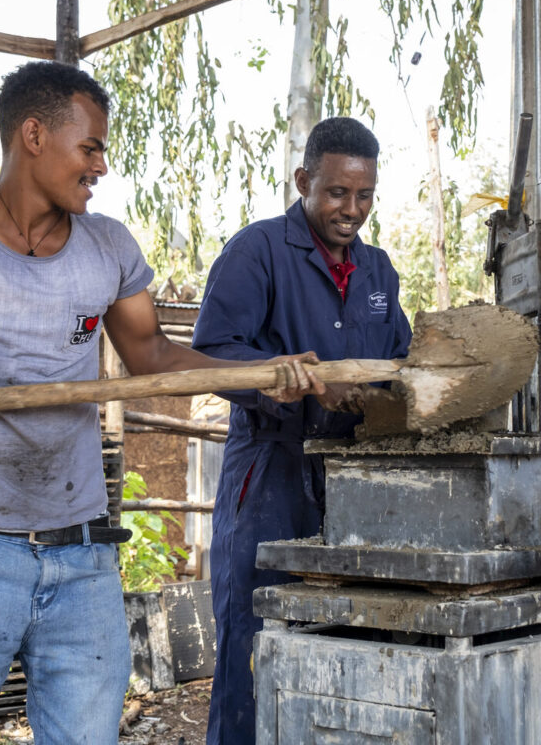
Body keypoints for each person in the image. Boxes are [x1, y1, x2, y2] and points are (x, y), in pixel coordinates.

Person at [0, 61, 327, 745]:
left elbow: (153, 356)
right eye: (90, 147)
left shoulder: (108, 248)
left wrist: (259, 372)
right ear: (33, 135)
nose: (100, 165)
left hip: (83, 557)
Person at [192, 117, 413, 745]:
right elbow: (209, 352)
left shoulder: (378, 271)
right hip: (271, 469)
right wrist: (275, 380)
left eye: (364, 195)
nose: (352, 209)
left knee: (347, 633)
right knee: (256, 640)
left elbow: (395, 361)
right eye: (337, 193)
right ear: (303, 182)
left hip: (351, 478)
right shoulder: (257, 250)